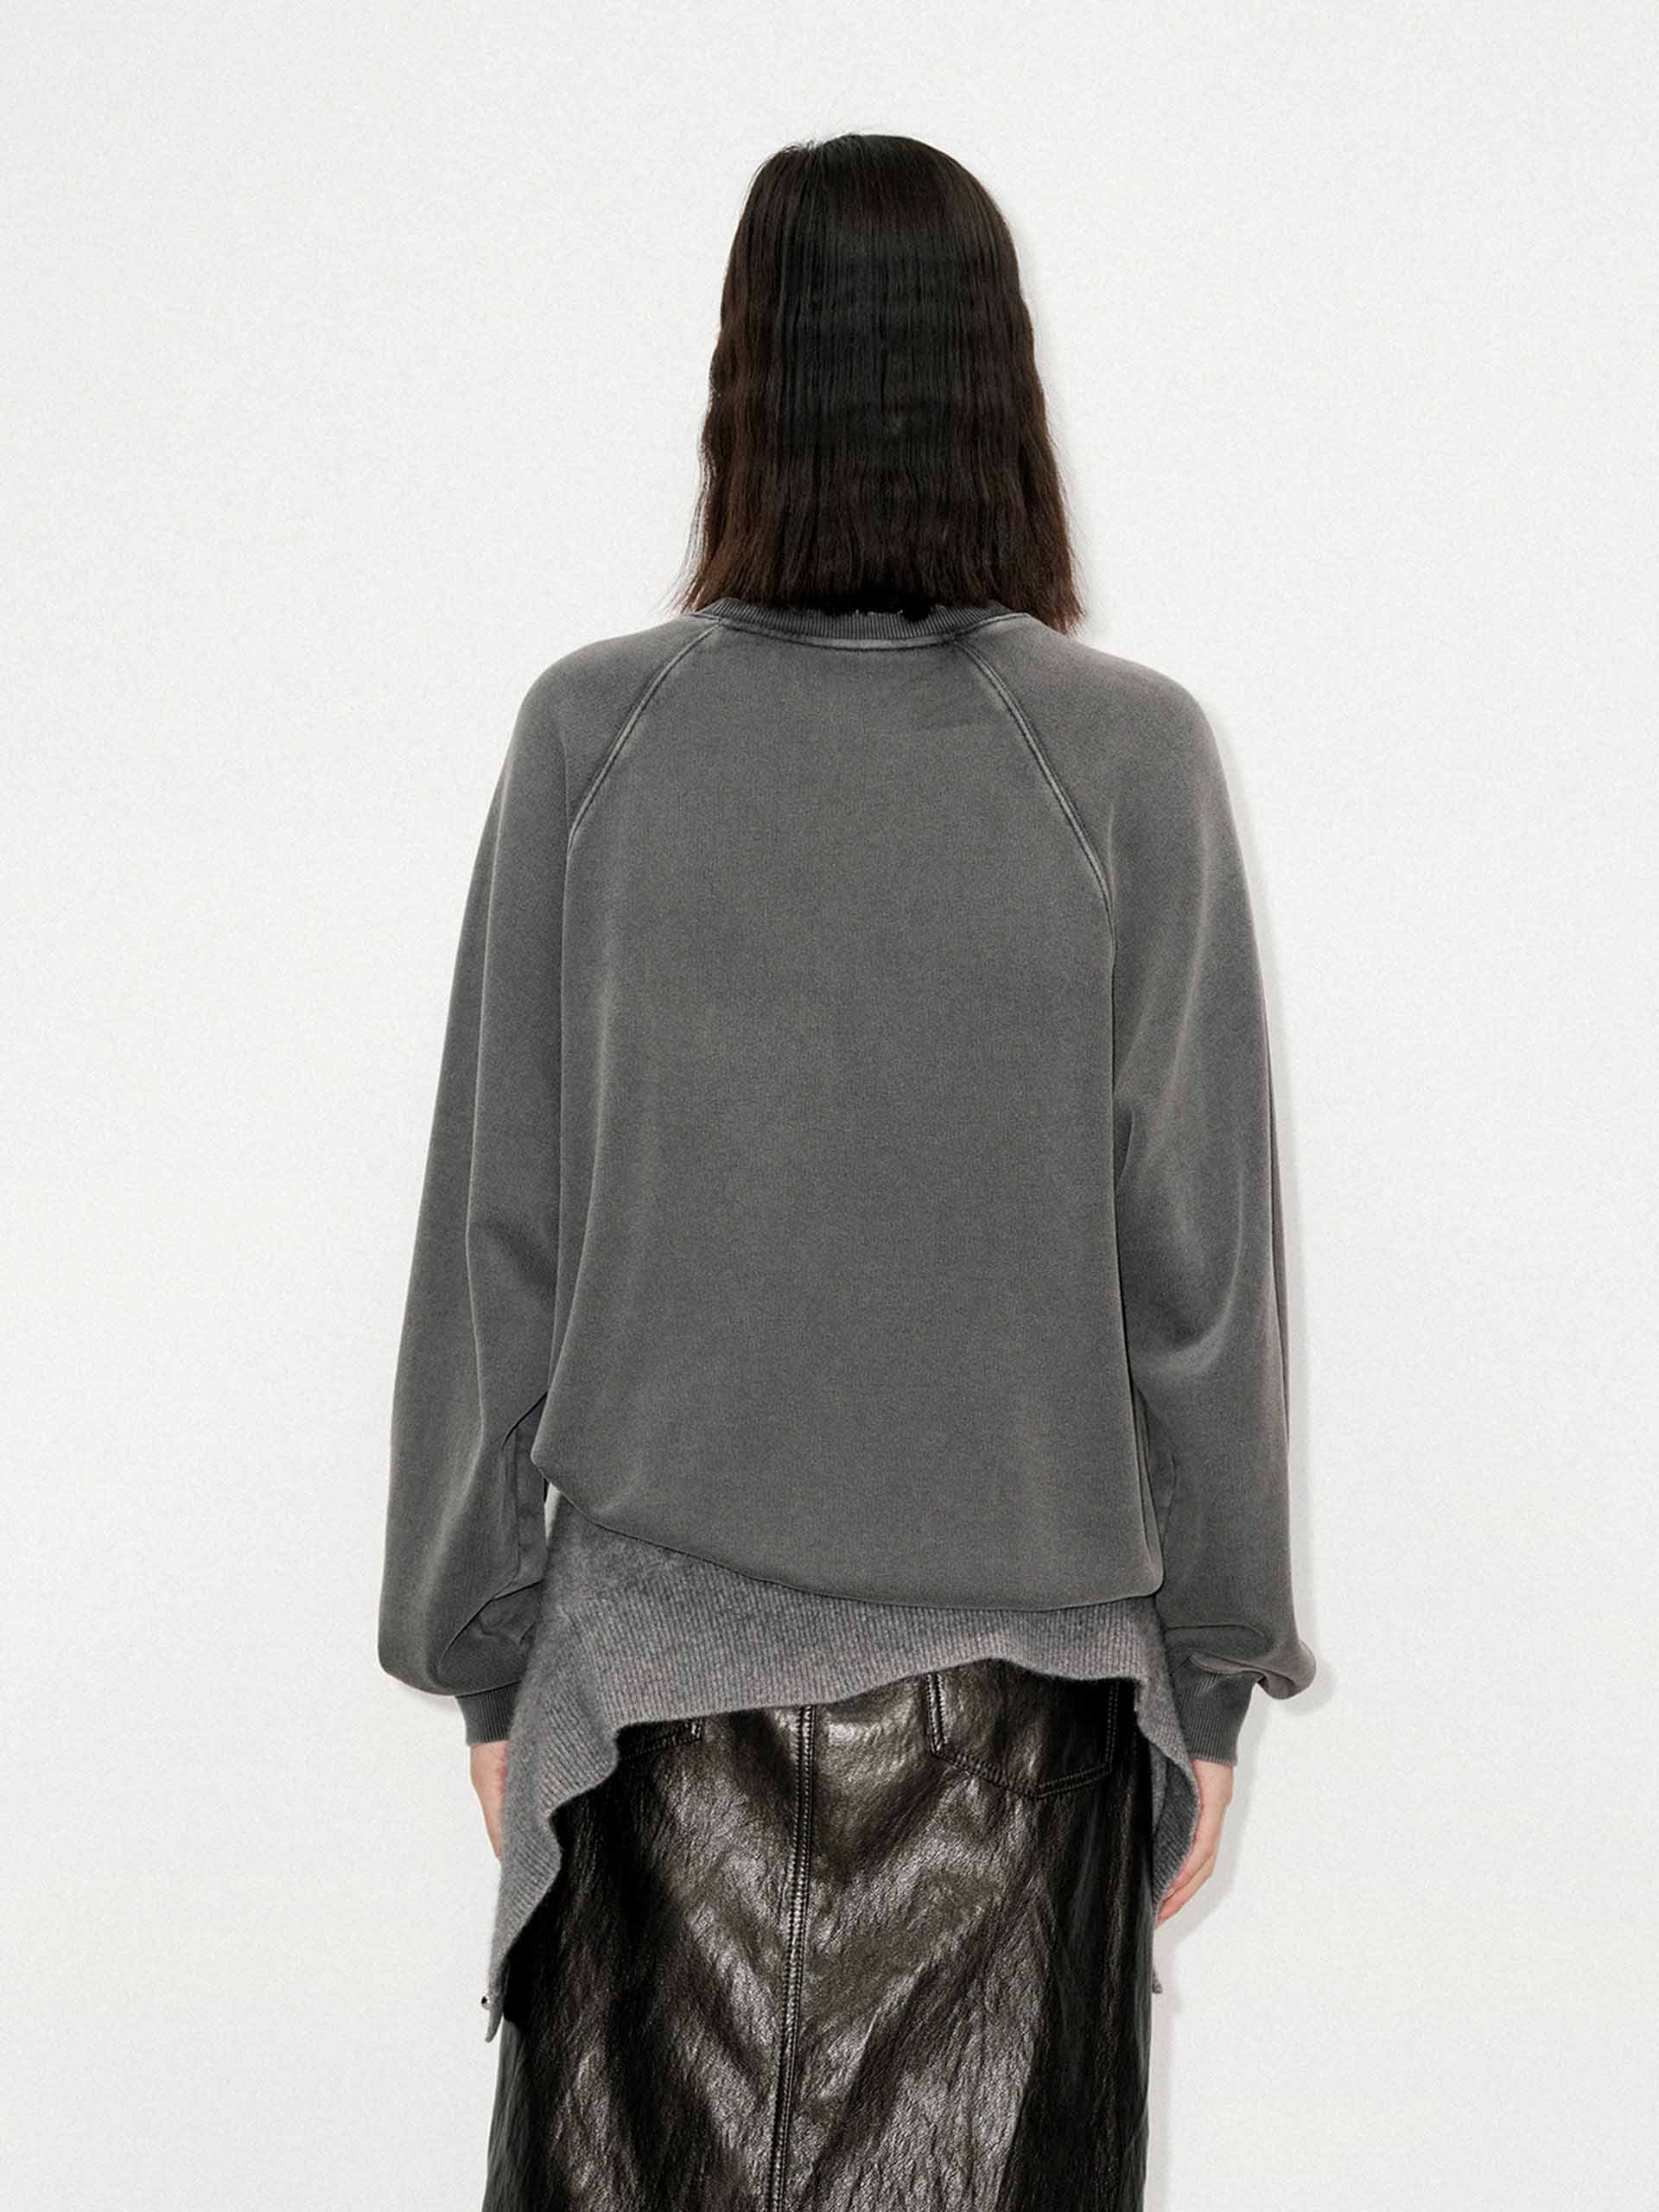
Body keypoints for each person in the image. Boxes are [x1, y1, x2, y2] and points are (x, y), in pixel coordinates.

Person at [378, 130, 1315, 2211]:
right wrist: (1218, 1666)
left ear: (749, 381)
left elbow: (495, 1233)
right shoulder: (1128, 757)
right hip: (1027, 1726)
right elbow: (1201, 1278)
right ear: (999, 383)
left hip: (646, 1707)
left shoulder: (596, 738)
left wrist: (478, 1635)